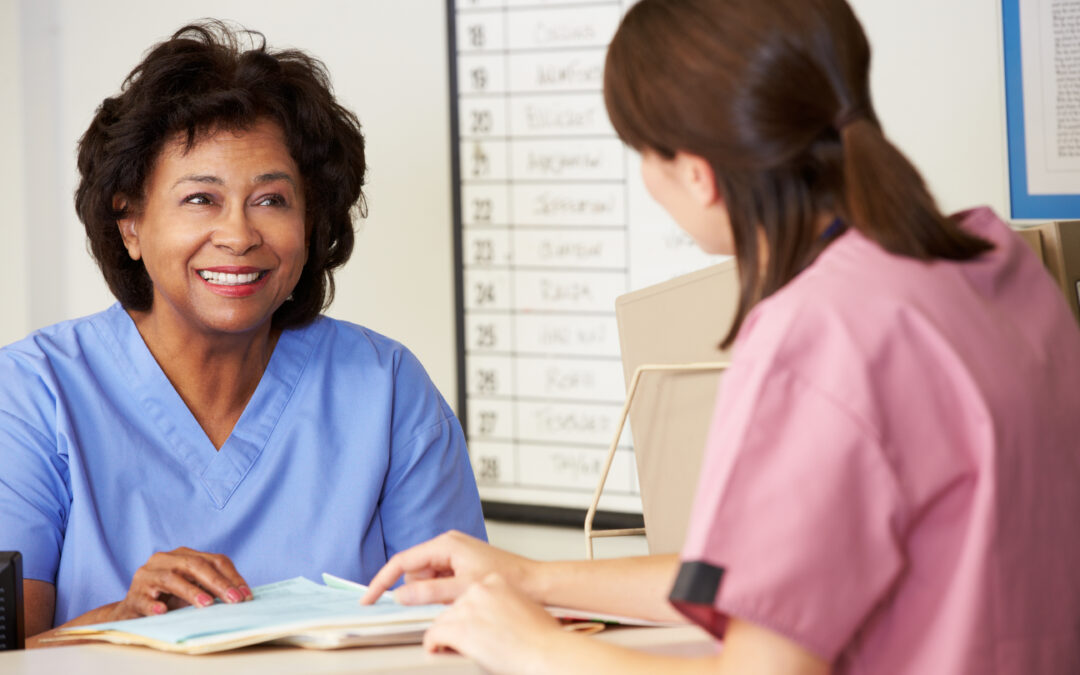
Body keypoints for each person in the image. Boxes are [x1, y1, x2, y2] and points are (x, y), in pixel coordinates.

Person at [360, 0, 1080, 672]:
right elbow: (763, 576)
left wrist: (536, 646)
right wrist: (532, 575)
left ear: (698, 175)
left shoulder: (818, 333)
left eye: (642, 152)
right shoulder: (996, 264)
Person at [0, 21, 486, 648]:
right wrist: (126, 619)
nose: (238, 235)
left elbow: (468, 625)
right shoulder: (32, 392)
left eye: (272, 200)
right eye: (201, 198)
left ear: (311, 223)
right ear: (130, 222)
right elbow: (8, 650)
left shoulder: (386, 386)